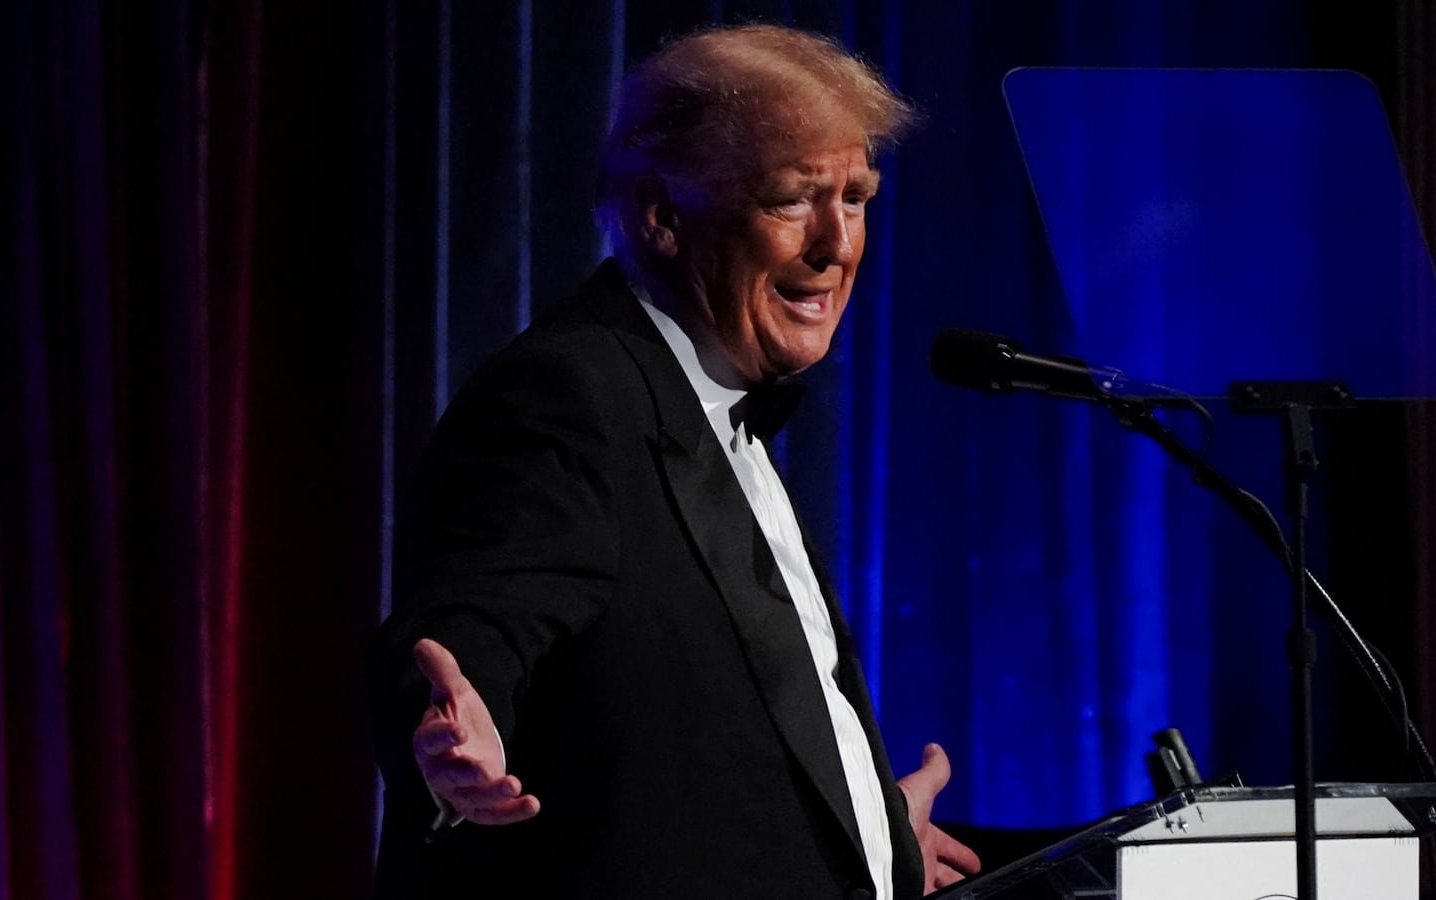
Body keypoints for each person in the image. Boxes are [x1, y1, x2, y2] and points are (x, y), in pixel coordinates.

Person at [372, 23, 980, 899]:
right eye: (791, 199)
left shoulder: (715, 405)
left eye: (854, 198)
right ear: (662, 215)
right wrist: (450, 728)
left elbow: (698, 758)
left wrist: (871, 838)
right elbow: (472, 626)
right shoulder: (568, 396)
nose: (837, 244)